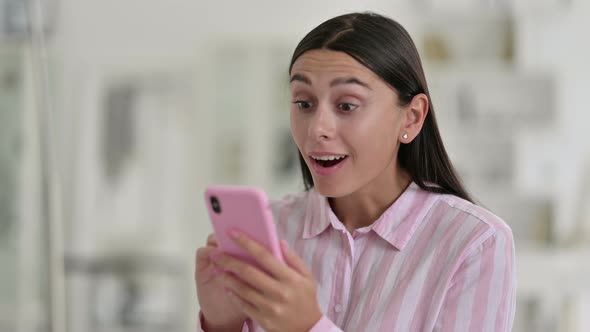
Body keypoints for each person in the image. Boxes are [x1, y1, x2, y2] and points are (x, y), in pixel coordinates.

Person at [195, 12, 516, 332]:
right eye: (304, 103)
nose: (317, 128)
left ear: (412, 118)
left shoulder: (475, 242)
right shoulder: (272, 230)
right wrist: (221, 323)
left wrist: (308, 327)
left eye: (347, 105)